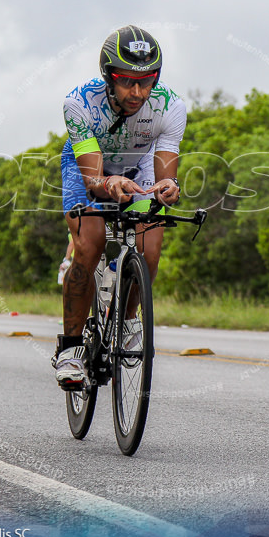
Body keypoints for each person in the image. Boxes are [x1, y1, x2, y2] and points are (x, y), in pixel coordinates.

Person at [54, 25, 184, 387]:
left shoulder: (171, 107)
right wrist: (108, 183)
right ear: (109, 76)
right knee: (89, 246)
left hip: (137, 165)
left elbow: (165, 173)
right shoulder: (78, 103)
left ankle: (128, 318)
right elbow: (95, 179)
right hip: (88, 167)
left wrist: (167, 188)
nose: (138, 92)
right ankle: (71, 348)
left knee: (150, 249)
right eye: (128, 81)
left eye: (147, 81)